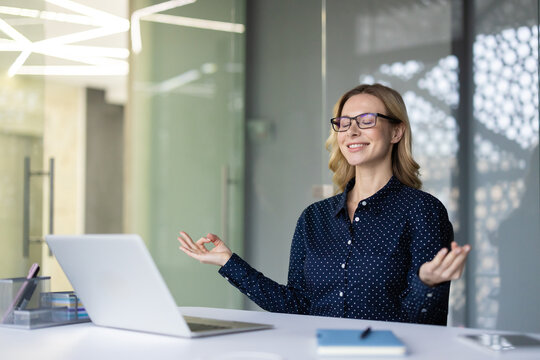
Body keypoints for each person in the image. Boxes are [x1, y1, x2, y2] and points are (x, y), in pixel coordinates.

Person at [178, 83, 471, 325]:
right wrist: (228, 262)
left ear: (397, 131)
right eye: (344, 123)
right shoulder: (314, 217)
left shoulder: (424, 212)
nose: (352, 132)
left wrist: (427, 283)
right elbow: (296, 306)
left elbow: (426, 325)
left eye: (367, 121)